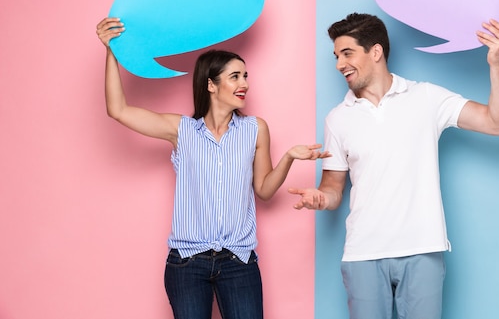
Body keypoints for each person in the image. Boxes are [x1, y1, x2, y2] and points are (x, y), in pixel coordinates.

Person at [96, 17, 329, 319]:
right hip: (188, 263)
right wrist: (112, 52)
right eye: (235, 77)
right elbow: (118, 110)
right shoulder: (181, 130)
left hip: (238, 261)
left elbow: (265, 190)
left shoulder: (255, 129)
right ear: (211, 84)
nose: (244, 83)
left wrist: (288, 158)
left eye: (245, 76)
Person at [288, 13, 499, 319]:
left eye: (347, 53)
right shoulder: (337, 119)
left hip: (422, 249)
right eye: (336, 56)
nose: (339, 64)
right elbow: (332, 189)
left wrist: (495, 65)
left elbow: (498, 123)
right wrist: (321, 198)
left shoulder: (427, 97)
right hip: (363, 254)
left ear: (376, 52)